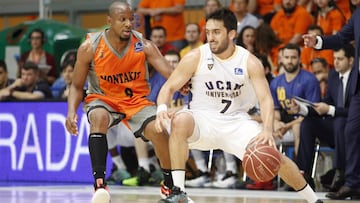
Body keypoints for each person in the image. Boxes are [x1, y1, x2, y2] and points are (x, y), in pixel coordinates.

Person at [155, 8, 323, 203]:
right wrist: (161, 109)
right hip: (202, 120)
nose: (211, 37)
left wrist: (267, 130)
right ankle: (178, 192)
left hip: (237, 122)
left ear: (232, 33)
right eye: (208, 32)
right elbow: (168, 88)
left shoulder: (250, 62)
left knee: (275, 157)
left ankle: (314, 200)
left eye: (216, 32)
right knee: (180, 119)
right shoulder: (196, 57)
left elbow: (266, 100)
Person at [64, 2, 175, 203]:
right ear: (109, 21)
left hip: (136, 101)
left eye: (131, 19)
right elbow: (77, 86)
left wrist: (182, 83)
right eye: (122, 19)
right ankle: (100, 183)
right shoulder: (90, 46)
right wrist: (71, 111)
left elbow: (170, 72)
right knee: (97, 117)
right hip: (103, 98)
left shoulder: (144, 45)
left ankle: (169, 185)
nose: (128, 23)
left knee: (158, 131)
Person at [302, 0, 360, 199]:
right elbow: (342, 37)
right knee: (351, 130)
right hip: (359, 85)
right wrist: (318, 41)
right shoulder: (358, 14)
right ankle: (352, 183)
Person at [294, 45, 354, 193]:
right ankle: (304, 174)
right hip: (335, 126)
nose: (336, 62)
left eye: (340, 59)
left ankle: (341, 173)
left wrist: (330, 110)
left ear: (351, 60)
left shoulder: (356, 78)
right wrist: (302, 109)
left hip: (352, 125)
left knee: (339, 122)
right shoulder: (333, 76)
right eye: (335, 59)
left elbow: (355, 110)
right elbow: (326, 102)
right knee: (308, 124)